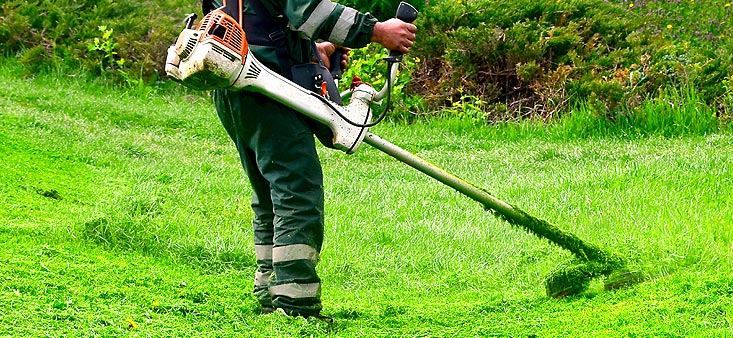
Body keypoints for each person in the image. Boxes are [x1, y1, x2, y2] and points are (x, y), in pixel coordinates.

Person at [205, 0, 417, 318]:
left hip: (234, 83)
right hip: (268, 88)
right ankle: (295, 304)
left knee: (271, 197)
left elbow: (254, 20)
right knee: (296, 194)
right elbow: (309, 10)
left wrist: (313, 50)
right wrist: (378, 31)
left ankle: (269, 290)